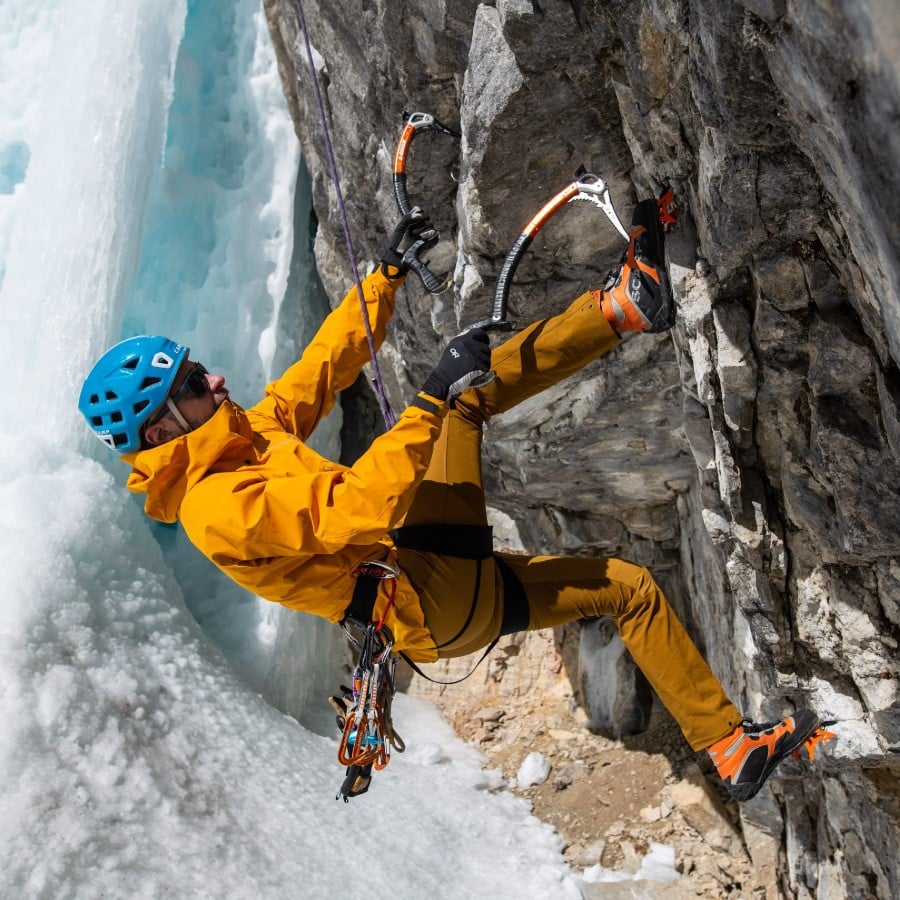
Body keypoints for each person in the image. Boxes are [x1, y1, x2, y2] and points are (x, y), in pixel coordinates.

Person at [79, 200, 830, 802]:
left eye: (198, 368)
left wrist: (383, 278)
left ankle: (730, 747)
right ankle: (625, 307)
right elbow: (356, 510)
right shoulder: (217, 508)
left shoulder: (242, 436)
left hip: (437, 615)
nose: (211, 381)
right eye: (188, 387)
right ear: (159, 427)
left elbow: (318, 370)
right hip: (424, 589)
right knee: (462, 405)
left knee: (627, 589)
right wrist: (435, 391)